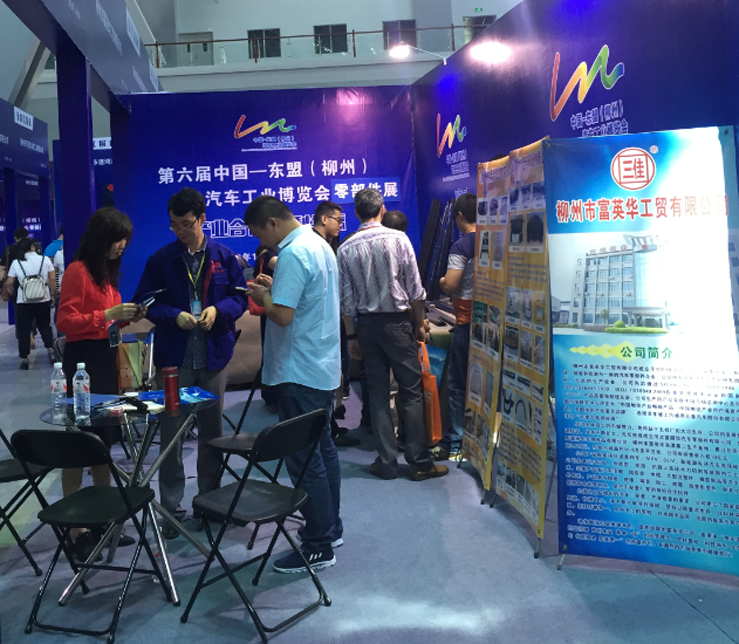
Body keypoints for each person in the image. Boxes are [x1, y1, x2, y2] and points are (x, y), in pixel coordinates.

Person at [133, 187, 248, 538]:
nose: (180, 230)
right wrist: (174, 315)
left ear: (202, 219)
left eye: (186, 224)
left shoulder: (224, 257)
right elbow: (145, 303)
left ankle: (209, 501)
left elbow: (240, 300)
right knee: (171, 435)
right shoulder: (161, 260)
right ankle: (171, 508)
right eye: (174, 225)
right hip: (175, 361)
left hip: (213, 358)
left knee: (213, 434)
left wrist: (219, 310)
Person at [244, 195, 342, 574]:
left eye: (259, 234)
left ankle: (317, 544)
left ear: (271, 222)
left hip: (297, 369)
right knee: (323, 450)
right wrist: (273, 291)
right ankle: (330, 528)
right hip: (320, 366)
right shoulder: (318, 245)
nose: (262, 242)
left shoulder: (293, 253)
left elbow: (282, 315)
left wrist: (262, 296)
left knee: (304, 460)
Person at [337, 188, 448, 481]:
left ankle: (386, 463)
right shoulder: (399, 239)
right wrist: (420, 323)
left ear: (356, 213)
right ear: (382, 210)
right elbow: (415, 289)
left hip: (366, 326)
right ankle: (419, 463)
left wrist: (351, 337)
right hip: (398, 324)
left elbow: (345, 301)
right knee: (411, 392)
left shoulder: (345, 248)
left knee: (377, 395)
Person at [56, 207, 143, 561]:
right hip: (83, 364)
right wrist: (108, 314)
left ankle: (103, 518)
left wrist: (127, 317)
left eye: (125, 241)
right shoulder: (78, 271)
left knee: (104, 443)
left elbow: (107, 324)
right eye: (117, 240)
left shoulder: (108, 274)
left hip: (106, 362)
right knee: (79, 444)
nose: (122, 246)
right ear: (101, 239)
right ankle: (75, 527)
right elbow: (65, 321)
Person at [433, 193, 477, 460]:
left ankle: (457, 442)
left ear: (459, 216)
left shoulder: (461, 246)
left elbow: (450, 285)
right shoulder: (495, 240)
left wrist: (440, 281)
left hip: (466, 323)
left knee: (458, 384)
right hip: (491, 323)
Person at [312, 201, 359, 447]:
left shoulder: (329, 246)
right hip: (321, 323)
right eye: (338, 220)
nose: (341, 225)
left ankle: (331, 420)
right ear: (324, 219)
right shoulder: (315, 247)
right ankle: (326, 430)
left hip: (332, 320)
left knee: (336, 366)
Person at [5, 237, 56, 369]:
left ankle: (24, 357)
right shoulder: (44, 260)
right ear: (33, 247)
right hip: (43, 299)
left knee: (24, 329)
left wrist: (13, 292)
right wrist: (51, 294)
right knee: (44, 326)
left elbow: (9, 282)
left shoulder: (17, 262)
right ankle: (51, 350)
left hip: (23, 301)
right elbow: (52, 279)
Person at [252, 244, 278, 411]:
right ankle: (274, 395)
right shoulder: (270, 256)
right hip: (274, 308)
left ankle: (269, 394)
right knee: (276, 352)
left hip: (267, 310)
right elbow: (288, 269)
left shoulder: (262, 255)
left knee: (269, 350)